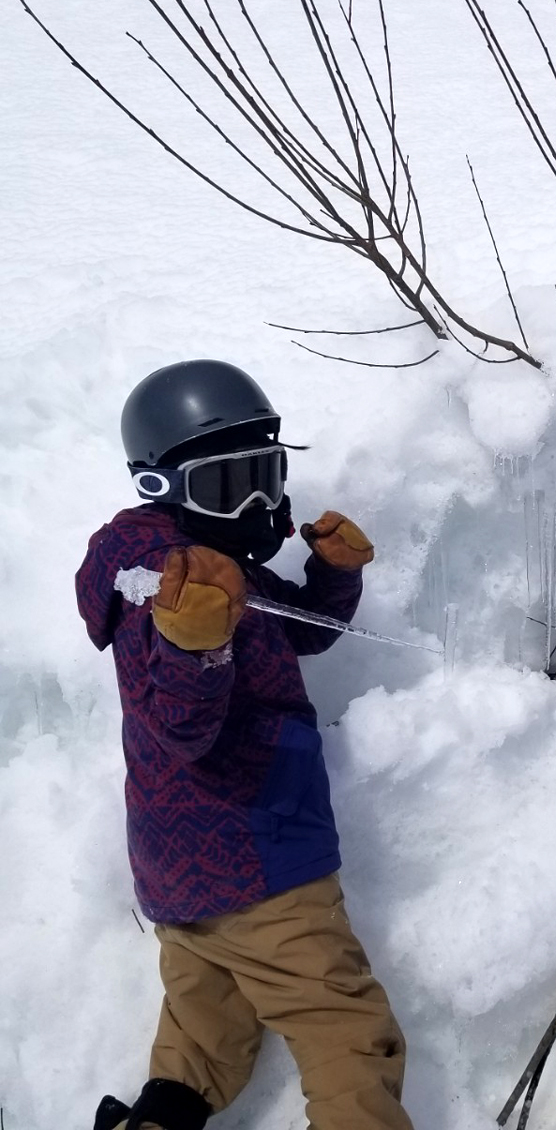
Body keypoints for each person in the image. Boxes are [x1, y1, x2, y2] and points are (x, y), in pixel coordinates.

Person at [76, 359, 416, 1130]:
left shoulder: (216, 569)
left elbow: (297, 631)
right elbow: (181, 725)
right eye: (230, 485)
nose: (259, 504)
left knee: (203, 1039)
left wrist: (331, 578)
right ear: (163, 488)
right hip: (258, 852)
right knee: (348, 1035)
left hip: (182, 867)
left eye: (267, 474)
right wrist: (194, 646)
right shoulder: (165, 588)